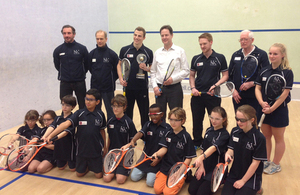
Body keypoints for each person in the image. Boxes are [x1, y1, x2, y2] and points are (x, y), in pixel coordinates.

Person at [46, 89, 107, 178]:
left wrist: (105, 146)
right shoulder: (79, 113)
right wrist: (51, 135)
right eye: (86, 99)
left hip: (95, 150)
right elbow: (66, 124)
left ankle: (93, 165)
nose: (88, 102)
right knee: (79, 174)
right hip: (81, 150)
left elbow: (102, 130)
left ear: (97, 102)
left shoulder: (100, 114)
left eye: (91, 100)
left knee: (98, 176)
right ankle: (87, 167)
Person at [255, 43, 293, 175]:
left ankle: (276, 164)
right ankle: (266, 160)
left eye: (275, 54)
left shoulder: (287, 72)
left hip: (278, 111)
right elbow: (258, 88)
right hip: (264, 109)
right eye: (270, 53)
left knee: (279, 138)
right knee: (266, 136)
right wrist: (261, 103)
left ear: (282, 55)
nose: (272, 56)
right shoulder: (264, 70)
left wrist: (272, 108)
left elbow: (285, 94)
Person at [190, 33, 228, 150]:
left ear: (211, 42)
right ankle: (197, 142)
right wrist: (193, 88)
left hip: (213, 96)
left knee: (215, 120)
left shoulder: (219, 58)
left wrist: (215, 85)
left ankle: (215, 142)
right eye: (200, 44)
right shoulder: (196, 58)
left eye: (204, 43)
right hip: (198, 96)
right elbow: (192, 76)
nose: (202, 46)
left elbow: (225, 75)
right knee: (197, 120)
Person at [221, 105, 267, 195]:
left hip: (251, 177)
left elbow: (255, 163)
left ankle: (257, 189)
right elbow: (231, 148)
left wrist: (243, 181)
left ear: (252, 120)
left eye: (242, 120)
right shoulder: (235, 131)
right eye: (237, 119)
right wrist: (228, 154)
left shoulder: (259, 138)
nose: (238, 122)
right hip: (234, 174)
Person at [122, 103, 170, 187]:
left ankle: (159, 173)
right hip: (146, 157)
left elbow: (166, 148)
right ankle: (147, 171)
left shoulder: (167, 128)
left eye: (156, 114)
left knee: (150, 183)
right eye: (151, 114)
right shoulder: (148, 124)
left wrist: (159, 158)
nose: (153, 117)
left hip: (159, 159)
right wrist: (133, 140)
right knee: (133, 177)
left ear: (162, 114)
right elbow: (140, 133)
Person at [153, 107, 196, 195]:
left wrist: (179, 172)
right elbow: (164, 148)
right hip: (166, 167)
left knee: (167, 193)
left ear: (182, 121)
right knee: (158, 190)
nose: (173, 122)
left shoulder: (186, 137)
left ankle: (183, 178)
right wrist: (157, 154)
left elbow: (188, 158)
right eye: (171, 119)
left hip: (179, 170)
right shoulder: (167, 133)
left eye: (176, 120)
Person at [150, 25, 189, 120]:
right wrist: (155, 87)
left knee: (177, 116)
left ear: (172, 35)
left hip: (175, 89)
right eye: (162, 35)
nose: (164, 38)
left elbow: (186, 70)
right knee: (159, 118)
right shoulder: (157, 52)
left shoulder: (180, 51)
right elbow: (153, 72)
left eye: (166, 35)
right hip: (160, 90)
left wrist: (173, 79)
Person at [188, 106, 230, 195]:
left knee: (201, 193)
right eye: (212, 117)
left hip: (216, 170)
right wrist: (201, 166)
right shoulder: (208, 130)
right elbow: (203, 149)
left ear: (224, 119)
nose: (213, 121)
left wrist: (200, 158)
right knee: (192, 190)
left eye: (217, 119)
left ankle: (223, 178)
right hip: (205, 166)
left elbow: (213, 148)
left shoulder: (225, 135)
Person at [117, 26, 153, 128]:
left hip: (142, 88)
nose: (136, 37)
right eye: (135, 35)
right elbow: (118, 64)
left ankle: (145, 136)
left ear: (144, 38)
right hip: (128, 87)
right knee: (128, 113)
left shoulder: (148, 52)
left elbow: (152, 68)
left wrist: (146, 68)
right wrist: (120, 79)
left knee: (144, 113)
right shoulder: (125, 50)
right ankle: (130, 134)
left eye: (139, 36)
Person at [228, 30, 269, 113]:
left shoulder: (261, 55)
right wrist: (233, 91)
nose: (243, 42)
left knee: (254, 122)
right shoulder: (236, 55)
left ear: (252, 40)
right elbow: (229, 76)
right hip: (238, 97)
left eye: (245, 39)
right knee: (240, 122)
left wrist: (253, 83)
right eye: (241, 40)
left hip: (255, 97)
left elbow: (266, 75)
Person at [103, 94, 137, 184]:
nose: (115, 109)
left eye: (118, 106)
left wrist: (127, 145)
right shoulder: (110, 120)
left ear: (124, 107)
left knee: (120, 180)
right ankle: (115, 169)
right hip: (113, 154)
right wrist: (107, 150)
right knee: (106, 179)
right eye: (114, 106)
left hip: (125, 155)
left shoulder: (128, 122)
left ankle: (127, 167)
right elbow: (109, 137)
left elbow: (134, 141)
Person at [53, 24, 89, 109]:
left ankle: (82, 121)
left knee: (83, 104)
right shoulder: (58, 50)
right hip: (65, 82)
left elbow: (87, 64)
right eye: (64, 33)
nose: (66, 35)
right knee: (65, 106)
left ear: (74, 34)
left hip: (79, 82)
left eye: (69, 33)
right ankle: (67, 121)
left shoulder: (82, 49)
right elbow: (57, 65)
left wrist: (80, 73)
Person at [89, 30, 119, 119]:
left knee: (110, 111)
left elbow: (117, 70)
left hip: (108, 88)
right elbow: (90, 68)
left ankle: (111, 130)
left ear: (106, 39)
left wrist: (110, 79)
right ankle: (97, 130)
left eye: (101, 39)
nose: (99, 41)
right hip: (95, 88)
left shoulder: (112, 54)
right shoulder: (92, 54)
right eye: (97, 39)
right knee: (96, 111)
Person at [42, 95, 77, 171]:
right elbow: (51, 127)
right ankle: (62, 161)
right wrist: (45, 136)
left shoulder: (73, 119)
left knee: (72, 169)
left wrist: (51, 137)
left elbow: (65, 133)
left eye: (67, 105)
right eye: (63, 104)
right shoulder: (58, 118)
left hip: (69, 147)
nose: (64, 107)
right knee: (60, 168)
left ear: (73, 107)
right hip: (59, 146)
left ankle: (70, 161)